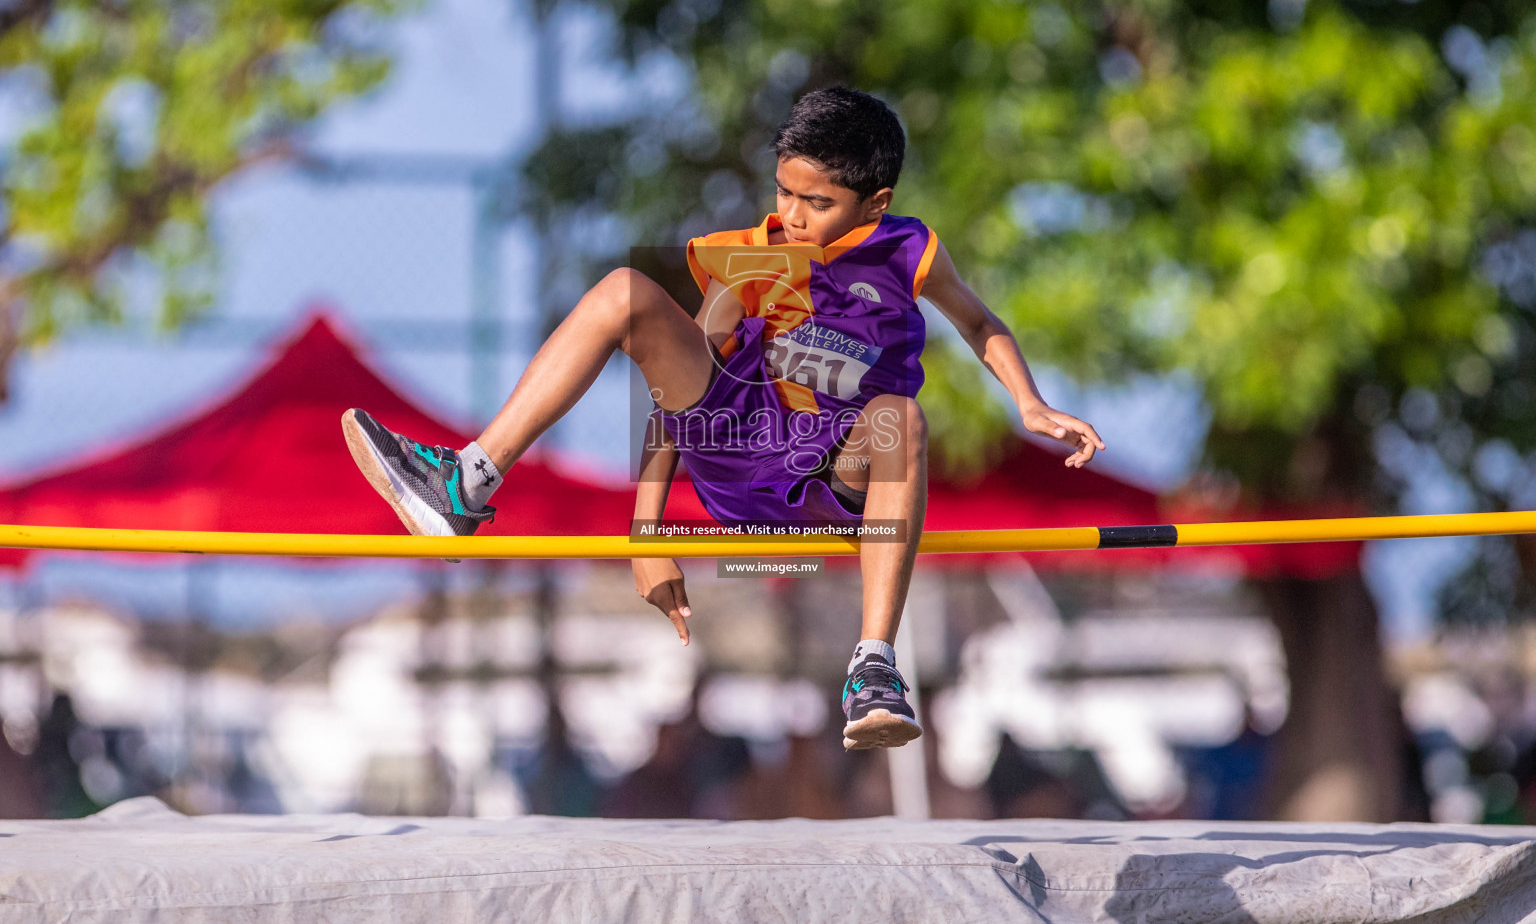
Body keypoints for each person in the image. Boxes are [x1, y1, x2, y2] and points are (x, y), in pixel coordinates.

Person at [342, 87, 1105, 751]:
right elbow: (679, 402)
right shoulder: (754, 258)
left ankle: (873, 667)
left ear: (875, 204)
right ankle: (467, 484)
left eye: (817, 203)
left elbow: (979, 323)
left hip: (829, 477)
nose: (792, 217)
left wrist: (1029, 402)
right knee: (622, 293)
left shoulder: (910, 250)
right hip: (743, 455)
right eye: (784, 193)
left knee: (900, 417)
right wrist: (647, 537)